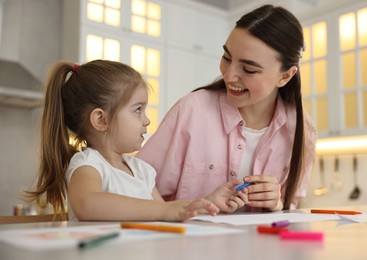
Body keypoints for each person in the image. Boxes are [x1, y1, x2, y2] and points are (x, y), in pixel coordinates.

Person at [137, 5, 317, 211]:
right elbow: (134, 187)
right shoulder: (191, 110)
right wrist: (193, 207)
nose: (229, 75)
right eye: (227, 58)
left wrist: (278, 204)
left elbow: (292, 206)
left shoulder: (302, 130)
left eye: (249, 69)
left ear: (285, 76)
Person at [25, 60, 247, 221]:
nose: (147, 121)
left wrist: (206, 202)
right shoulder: (88, 165)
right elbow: (87, 204)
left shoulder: (142, 171)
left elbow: (165, 214)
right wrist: (167, 210)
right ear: (101, 119)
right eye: (138, 110)